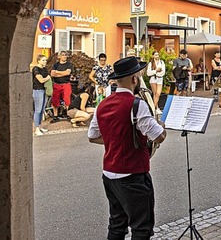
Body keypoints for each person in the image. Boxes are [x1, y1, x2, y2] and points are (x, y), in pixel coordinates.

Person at [88, 56, 167, 240]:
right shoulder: (137, 106)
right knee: (141, 228)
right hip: (133, 175)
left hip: (109, 174)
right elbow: (159, 137)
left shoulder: (102, 104)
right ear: (134, 79)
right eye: (139, 75)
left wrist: (115, 140)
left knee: (117, 225)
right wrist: (161, 126)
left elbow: (92, 137)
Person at [50, 51, 74, 122]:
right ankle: (55, 116)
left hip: (66, 84)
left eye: (65, 55)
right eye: (63, 55)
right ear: (59, 57)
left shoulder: (69, 65)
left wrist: (57, 72)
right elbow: (52, 74)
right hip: (57, 84)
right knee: (55, 100)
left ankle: (68, 114)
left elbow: (68, 73)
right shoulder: (55, 65)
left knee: (67, 99)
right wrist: (63, 73)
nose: (64, 56)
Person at [32, 54, 51, 136]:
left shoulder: (45, 69)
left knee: (42, 109)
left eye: (46, 60)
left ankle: (39, 127)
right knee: (38, 109)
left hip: (44, 90)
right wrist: (48, 78)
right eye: (43, 60)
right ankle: (36, 128)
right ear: (38, 60)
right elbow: (41, 80)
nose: (45, 61)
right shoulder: (36, 69)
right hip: (37, 90)